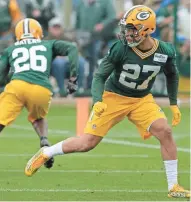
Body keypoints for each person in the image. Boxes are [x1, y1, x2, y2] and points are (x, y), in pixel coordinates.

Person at [25, 5, 190, 198]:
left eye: (133, 29)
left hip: (141, 100)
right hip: (114, 97)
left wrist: (173, 103)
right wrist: (97, 101)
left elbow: (172, 74)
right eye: (127, 29)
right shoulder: (120, 48)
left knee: (165, 131)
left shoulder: (165, 50)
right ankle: (47, 152)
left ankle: (173, 186)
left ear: (148, 30)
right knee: (87, 143)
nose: (128, 34)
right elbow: (99, 76)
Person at [0, 18, 78, 169]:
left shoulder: (11, 49)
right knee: (38, 118)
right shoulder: (48, 44)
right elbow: (72, 48)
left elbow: (1, 76)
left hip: (17, 85)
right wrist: (73, 77)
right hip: (41, 88)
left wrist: (8, 79)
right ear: (39, 32)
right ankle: (44, 139)